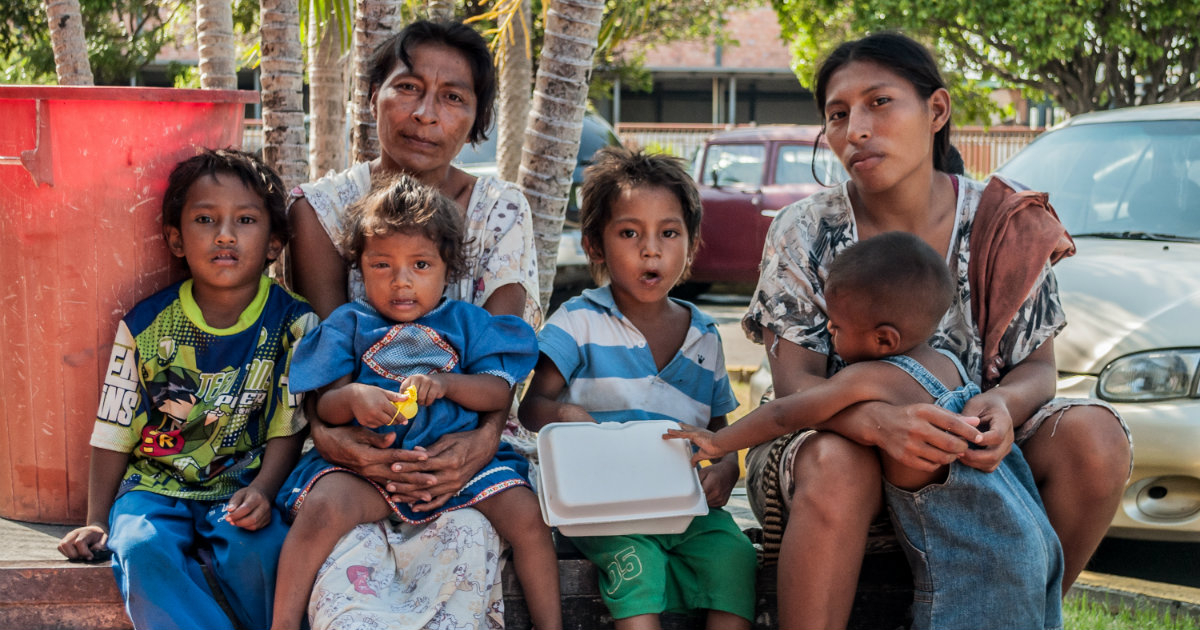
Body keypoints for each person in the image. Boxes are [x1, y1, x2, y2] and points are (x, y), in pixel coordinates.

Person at [740, 31, 1132, 629]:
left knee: (1096, 439)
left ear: (937, 110)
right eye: (838, 115)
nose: (856, 130)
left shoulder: (1007, 222)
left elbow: (1039, 370)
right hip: (827, 434)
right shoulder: (806, 228)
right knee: (842, 463)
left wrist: (1000, 405)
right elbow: (796, 388)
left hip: (971, 450)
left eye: (879, 103)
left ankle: (1017, 611)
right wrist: (879, 423)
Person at [669, 231, 1063, 630]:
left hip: (967, 570)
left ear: (884, 339)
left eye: (836, 326)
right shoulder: (949, 366)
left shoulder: (870, 377)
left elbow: (785, 416)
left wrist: (718, 441)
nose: (831, 335)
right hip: (1029, 547)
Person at [286, 19, 541, 629]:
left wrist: (479, 446)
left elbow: (501, 362)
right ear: (373, 94)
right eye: (407, 87)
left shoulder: (500, 211)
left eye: (453, 97)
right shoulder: (319, 211)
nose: (426, 113)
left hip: (467, 445)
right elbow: (326, 355)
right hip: (357, 450)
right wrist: (328, 434)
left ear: (477, 122)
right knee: (345, 564)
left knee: (469, 538)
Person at [272, 175, 559, 630]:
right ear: (360, 268)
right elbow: (324, 407)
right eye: (382, 265)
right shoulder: (349, 323)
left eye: (420, 265)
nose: (401, 282)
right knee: (322, 509)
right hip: (370, 469)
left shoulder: (467, 322)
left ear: (449, 268)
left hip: (456, 468)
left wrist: (447, 384)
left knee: (527, 517)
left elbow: (497, 391)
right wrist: (354, 398)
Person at [56, 149, 317, 630]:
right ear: (176, 239)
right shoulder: (144, 326)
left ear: (275, 241)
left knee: (260, 552)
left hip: (244, 488)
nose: (224, 234)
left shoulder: (294, 324)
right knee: (138, 548)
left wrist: (263, 490)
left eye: (245, 219)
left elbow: (289, 426)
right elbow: (114, 428)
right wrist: (96, 519)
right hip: (155, 486)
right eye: (204, 219)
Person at [519, 147, 756, 630]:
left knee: (736, 559)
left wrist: (727, 468)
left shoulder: (705, 335)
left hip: (680, 502)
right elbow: (531, 408)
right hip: (601, 506)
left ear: (690, 245)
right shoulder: (578, 322)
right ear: (595, 246)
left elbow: (719, 429)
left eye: (669, 233)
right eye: (630, 233)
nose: (652, 250)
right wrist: (566, 417)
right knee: (640, 572)